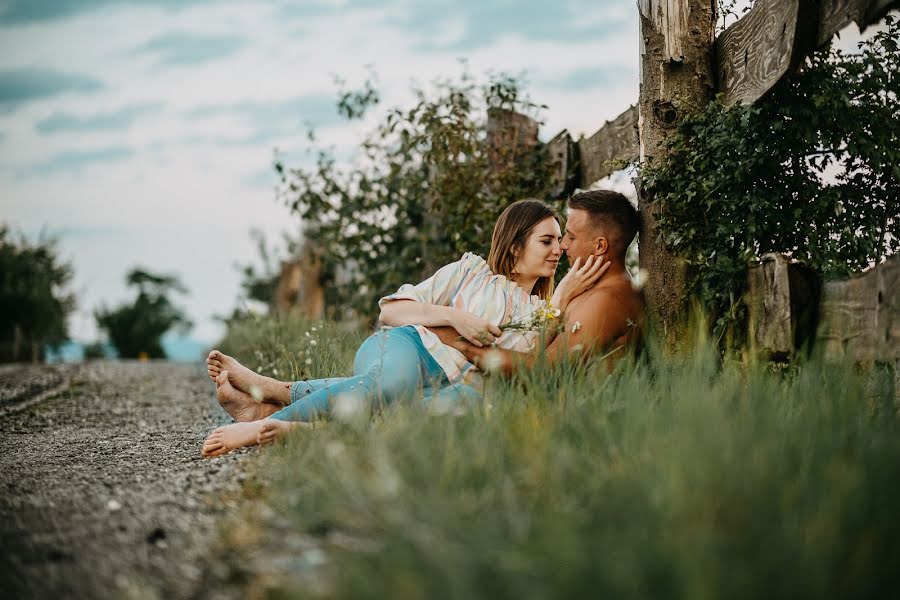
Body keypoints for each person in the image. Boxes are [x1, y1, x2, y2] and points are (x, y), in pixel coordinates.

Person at [201, 199, 608, 457]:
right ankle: (261, 427)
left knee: (410, 428)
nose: (559, 250)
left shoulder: (543, 309)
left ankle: (273, 406)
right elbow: (391, 311)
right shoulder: (472, 272)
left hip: (454, 390)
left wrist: (563, 295)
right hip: (407, 346)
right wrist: (453, 317)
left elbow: (528, 365)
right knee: (391, 386)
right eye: (547, 240)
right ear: (516, 244)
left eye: (560, 241)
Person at [431, 189, 644, 372]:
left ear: (600, 246)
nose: (562, 246)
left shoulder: (608, 300)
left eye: (569, 236)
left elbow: (543, 370)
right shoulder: (585, 288)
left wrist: (460, 344)